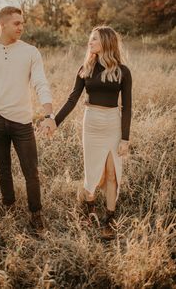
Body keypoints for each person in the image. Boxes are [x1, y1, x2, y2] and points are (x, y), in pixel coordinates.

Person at [0, 6, 56, 232]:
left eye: (23, 23)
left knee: (31, 170)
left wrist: (49, 115)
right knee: (3, 168)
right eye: (17, 23)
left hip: (22, 121)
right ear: (2, 24)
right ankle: (9, 207)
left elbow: (41, 83)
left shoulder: (30, 52)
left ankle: (35, 213)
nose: (21, 27)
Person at [54, 26, 132, 239]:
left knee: (111, 173)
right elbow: (72, 99)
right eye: (90, 39)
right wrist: (55, 122)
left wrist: (125, 138)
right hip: (92, 124)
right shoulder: (86, 68)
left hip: (113, 125)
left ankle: (109, 219)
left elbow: (127, 107)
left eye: (94, 39)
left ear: (106, 42)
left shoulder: (122, 71)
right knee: (92, 170)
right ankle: (91, 211)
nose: (90, 42)